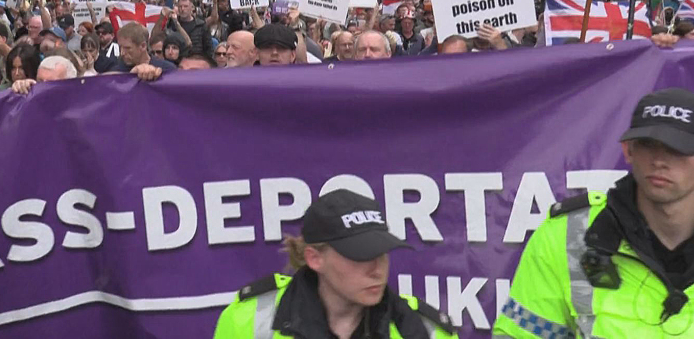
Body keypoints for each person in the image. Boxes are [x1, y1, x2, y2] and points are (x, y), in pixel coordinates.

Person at [494, 88, 694, 338]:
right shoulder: (565, 237)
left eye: (677, 148)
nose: (659, 160)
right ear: (628, 150)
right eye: (647, 145)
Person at [213, 190, 456, 338]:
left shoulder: (426, 331)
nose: (377, 270)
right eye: (359, 255)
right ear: (314, 258)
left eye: (382, 253)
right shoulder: (247, 320)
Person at [109, 22, 177, 74]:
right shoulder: (116, 72)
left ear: (143, 46)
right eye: (120, 47)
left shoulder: (167, 69)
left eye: (127, 48)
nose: (122, 53)